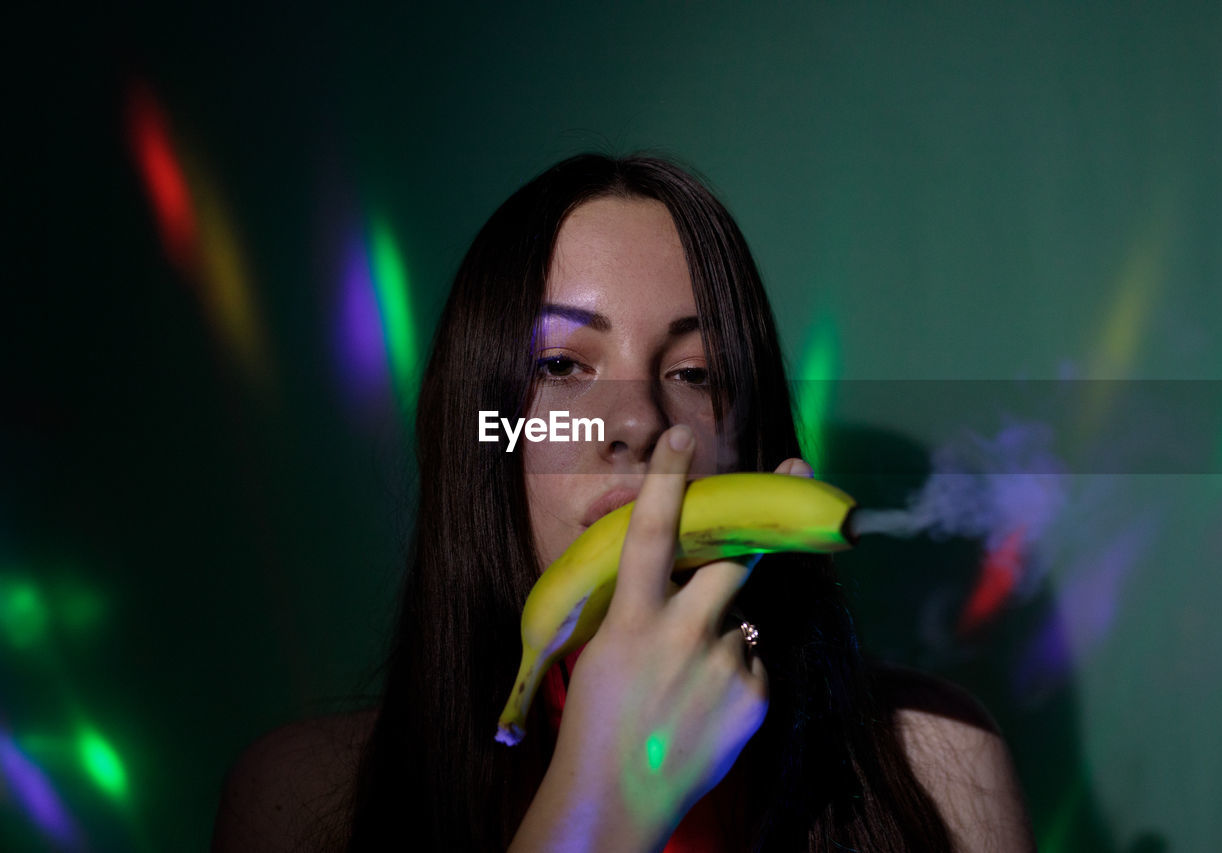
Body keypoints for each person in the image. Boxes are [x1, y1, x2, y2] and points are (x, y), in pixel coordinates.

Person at [212, 154, 1035, 851]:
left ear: (751, 444)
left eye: (695, 373)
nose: (638, 421)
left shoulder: (934, 764)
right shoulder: (300, 802)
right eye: (564, 367)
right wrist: (600, 807)